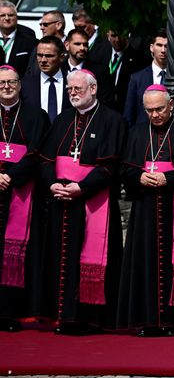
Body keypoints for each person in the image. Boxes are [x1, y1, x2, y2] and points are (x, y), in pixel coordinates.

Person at [39, 69, 127, 334]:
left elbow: (111, 165)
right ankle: (63, 316)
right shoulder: (62, 119)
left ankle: (92, 318)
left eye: (77, 89)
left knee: (92, 256)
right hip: (61, 200)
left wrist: (82, 187)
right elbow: (45, 159)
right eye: (69, 90)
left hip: (92, 200)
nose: (73, 94)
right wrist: (51, 183)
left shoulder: (112, 120)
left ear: (93, 88)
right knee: (61, 257)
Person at [117, 85, 174, 336]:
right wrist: (139, 177)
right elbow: (126, 169)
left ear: (171, 106)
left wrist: (169, 179)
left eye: (159, 109)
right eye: (149, 110)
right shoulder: (137, 132)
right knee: (144, 263)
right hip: (145, 209)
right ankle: (148, 321)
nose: (154, 115)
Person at [0, 66, 50, 331]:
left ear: (20, 85)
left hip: (22, 193)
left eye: (11, 82)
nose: (6, 87)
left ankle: (11, 314)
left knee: (16, 253)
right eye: (2, 83)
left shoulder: (36, 116)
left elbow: (37, 153)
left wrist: (10, 177)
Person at [20, 36, 69, 121]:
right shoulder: (25, 84)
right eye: (39, 55)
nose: (43, 60)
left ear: (61, 57)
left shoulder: (71, 82)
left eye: (49, 56)